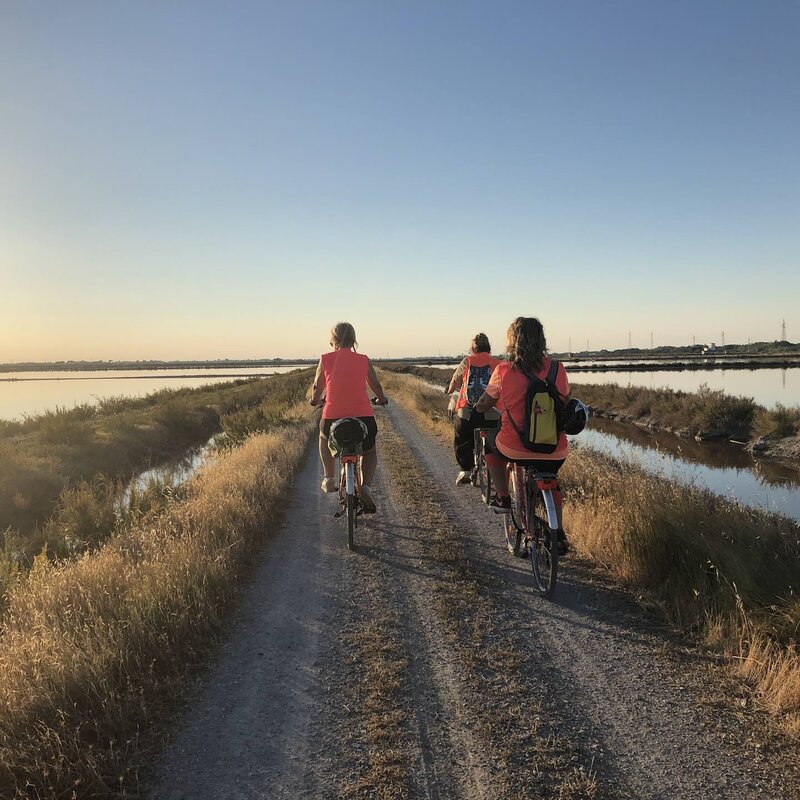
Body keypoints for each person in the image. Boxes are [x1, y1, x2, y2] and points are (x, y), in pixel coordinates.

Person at [474, 317, 571, 554]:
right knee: (552, 480)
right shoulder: (558, 368)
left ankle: (503, 497)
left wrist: (477, 409)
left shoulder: (503, 370)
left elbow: (485, 403)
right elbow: (565, 401)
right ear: (542, 340)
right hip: (555, 449)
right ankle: (557, 533)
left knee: (490, 443)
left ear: (511, 342)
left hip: (515, 448)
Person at [310, 322, 388, 513]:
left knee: (324, 437)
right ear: (354, 340)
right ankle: (366, 487)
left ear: (333, 341)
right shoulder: (363, 360)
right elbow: (375, 385)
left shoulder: (325, 359)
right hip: (364, 418)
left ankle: (329, 478)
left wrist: (315, 400)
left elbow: (317, 387)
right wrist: (381, 399)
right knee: (369, 451)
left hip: (332, 418)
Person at [446, 333, 502, 485]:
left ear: (472, 348)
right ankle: (496, 470)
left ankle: (466, 469)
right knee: (494, 440)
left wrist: (449, 390)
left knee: (462, 435)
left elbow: (454, 381)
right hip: (492, 412)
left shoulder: (467, 361)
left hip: (468, 412)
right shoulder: (497, 363)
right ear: (488, 346)